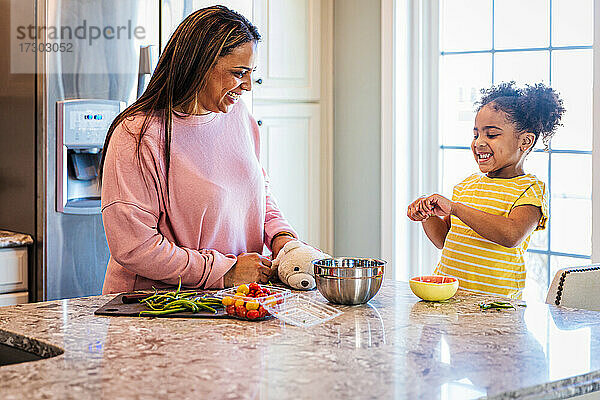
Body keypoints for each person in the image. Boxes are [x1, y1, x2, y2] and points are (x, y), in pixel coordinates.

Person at [98, 6, 297, 293]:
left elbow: (257, 191)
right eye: (239, 73)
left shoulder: (238, 116)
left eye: (251, 73)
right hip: (155, 309)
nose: (248, 86)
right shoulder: (138, 135)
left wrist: (282, 239)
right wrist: (225, 271)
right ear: (199, 65)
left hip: (232, 299)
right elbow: (135, 246)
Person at [407, 82, 565, 299]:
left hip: (497, 307)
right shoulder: (466, 186)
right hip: (452, 302)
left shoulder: (530, 190)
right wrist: (426, 214)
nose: (479, 143)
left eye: (491, 135)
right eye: (476, 135)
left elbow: (512, 235)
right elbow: (444, 240)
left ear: (525, 141)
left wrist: (455, 208)